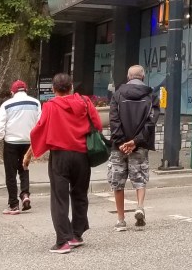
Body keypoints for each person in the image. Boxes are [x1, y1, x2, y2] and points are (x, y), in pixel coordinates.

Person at [24, 73, 102, 255]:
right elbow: (97, 125)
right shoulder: (85, 102)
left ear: (53, 89)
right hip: (82, 154)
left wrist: (29, 154)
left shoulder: (50, 106)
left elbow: (40, 130)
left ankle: (62, 241)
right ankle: (76, 234)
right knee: (80, 194)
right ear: (71, 87)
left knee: (59, 198)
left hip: (60, 155)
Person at [109, 64, 159, 232]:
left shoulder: (117, 94)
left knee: (118, 182)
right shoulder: (151, 96)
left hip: (119, 147)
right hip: (140, 145)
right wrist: (135, 141)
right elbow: (151, 123)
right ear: (143, 77)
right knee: (140, 178)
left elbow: (114, 120)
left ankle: (120, 220)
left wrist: (122, 142)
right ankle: (139, 206)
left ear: (128, 77)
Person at [0, 79, 42, 215]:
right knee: (24, 168)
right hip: (28, 141)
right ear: (26, 90)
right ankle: (25, 194)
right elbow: (40, 123)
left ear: (12, 92)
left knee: (11, 173)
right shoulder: (35, 103)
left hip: (11, 142)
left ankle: (13, 204)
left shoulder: (7, 105)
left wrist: (1, 137)